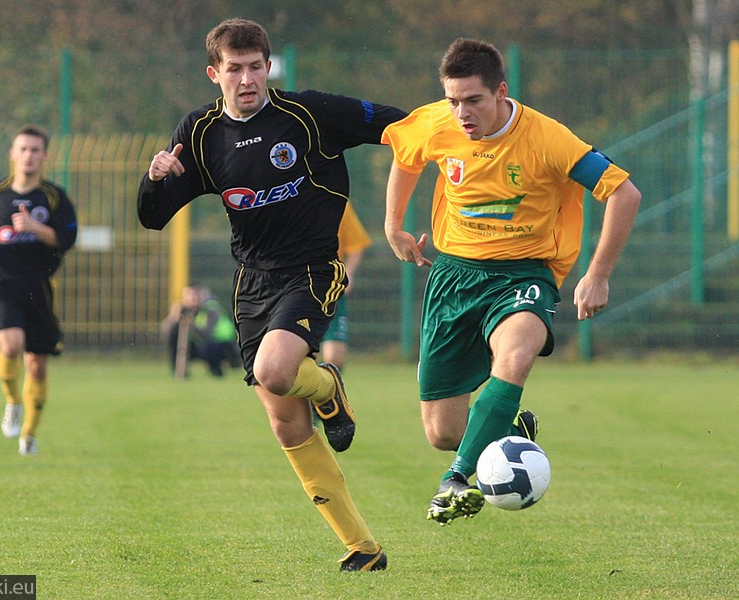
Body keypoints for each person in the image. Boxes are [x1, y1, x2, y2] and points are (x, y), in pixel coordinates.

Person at [137, 18, 405, 571]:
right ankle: (363, 547)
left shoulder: (307, 114)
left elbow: (395, 124)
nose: (246, 78)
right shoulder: (201, 132)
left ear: (268, 67)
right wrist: (156, 175)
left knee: (277, 369)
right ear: (215, 74)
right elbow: (152, 217)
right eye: (234, 69)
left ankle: (328, 384)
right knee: (287, 423)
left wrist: (450, 135)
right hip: (252, 285)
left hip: (312, 268)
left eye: (256, 66)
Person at [382, 38, 641, 525]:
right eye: (453, 100)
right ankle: (511, 425)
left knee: (516, 356)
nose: (461, 113)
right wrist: (393, 225)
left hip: (524, 275)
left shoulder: (547, 137)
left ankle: (454, 480)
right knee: (441, 432)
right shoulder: (439, 121)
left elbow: (624, 193)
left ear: (501, 91)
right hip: (453, 276)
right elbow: (406, 153)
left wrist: (598, 275)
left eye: (474, 100)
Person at [0, 125, 78, 457]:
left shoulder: (54, 197)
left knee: (37, 365)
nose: (29, 155)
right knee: (11, 343)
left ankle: (29, 434)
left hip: (40, 286)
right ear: (12, 154)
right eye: (23, 149)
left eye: (35, 150)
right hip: (4, 281)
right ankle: (13, 403)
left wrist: (35, 228)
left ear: (44, 156)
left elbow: (67, 239)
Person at [320, 203, 372, 370]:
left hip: (331, 286)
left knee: (334, 358)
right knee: (297, 354)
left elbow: (356, 245)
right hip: (296, 285)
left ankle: (330, 392)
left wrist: (348, 273)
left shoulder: (337, 202)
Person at [163, 284, 240, 377]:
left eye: (194, 295)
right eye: (187, 296)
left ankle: (217, 369)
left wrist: (192, 325)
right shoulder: (184, 310)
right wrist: (172, 318)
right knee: (174, 332)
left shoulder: (211, 308)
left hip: (222, 345)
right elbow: (165, 331)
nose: (191, 299)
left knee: (210, 348)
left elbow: (207, 333)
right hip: (202, 345)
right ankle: (179, 371)